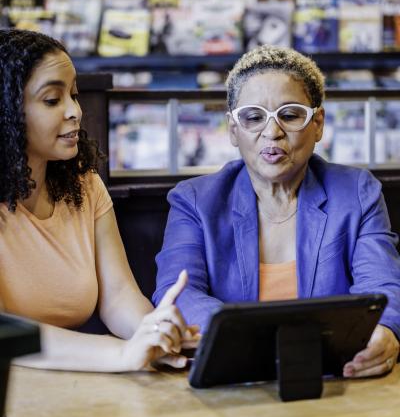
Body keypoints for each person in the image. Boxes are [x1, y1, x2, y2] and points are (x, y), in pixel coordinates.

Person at [153, 44, 400, 378]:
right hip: (232, 383)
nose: (272, 131)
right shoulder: (194, 201)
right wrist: (269, 340)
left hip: (335, 380)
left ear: (318, 123)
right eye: (253, 117)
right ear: (232, 130)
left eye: (290, 114)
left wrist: (385, 332)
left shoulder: (357, 193)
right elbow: (179, 295)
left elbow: (384, 288)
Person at [0, 29, 198, 372]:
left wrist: (155, 334)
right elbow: (5, 333)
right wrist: (120, 354)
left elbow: (118, 296)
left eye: (73, 95)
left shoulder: (85, 187)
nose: (74, 111)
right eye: (52, 100)